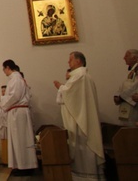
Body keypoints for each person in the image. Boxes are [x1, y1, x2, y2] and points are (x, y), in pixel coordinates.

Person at [54, 51, 105, 180]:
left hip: (81, 120)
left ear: (78, 61)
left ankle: (86, 177)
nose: (68, 62)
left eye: (70, 60)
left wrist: (60, 86)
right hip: (81, 116)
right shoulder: (81, 75)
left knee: (84, 149)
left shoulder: (80, 75)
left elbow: (69, 94)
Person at [0, 60, 37, 176]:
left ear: (8, 67)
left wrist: (2, 99)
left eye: (4, 69)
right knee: (19, 139)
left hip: (18, 113)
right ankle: (20, 165)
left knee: (21, 139)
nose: (4, 72)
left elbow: (15, 96)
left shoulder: (16, 79)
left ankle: (25, 166)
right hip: (16, 112)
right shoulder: (16, 79)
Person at [113, 49, 138, 126]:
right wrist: (117, 95)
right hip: (127, 107)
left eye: (127, 55)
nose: (124, 58)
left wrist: (121, 97)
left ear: (135, 58)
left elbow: (133, 87)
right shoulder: (132, 72)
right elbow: (125, 85)